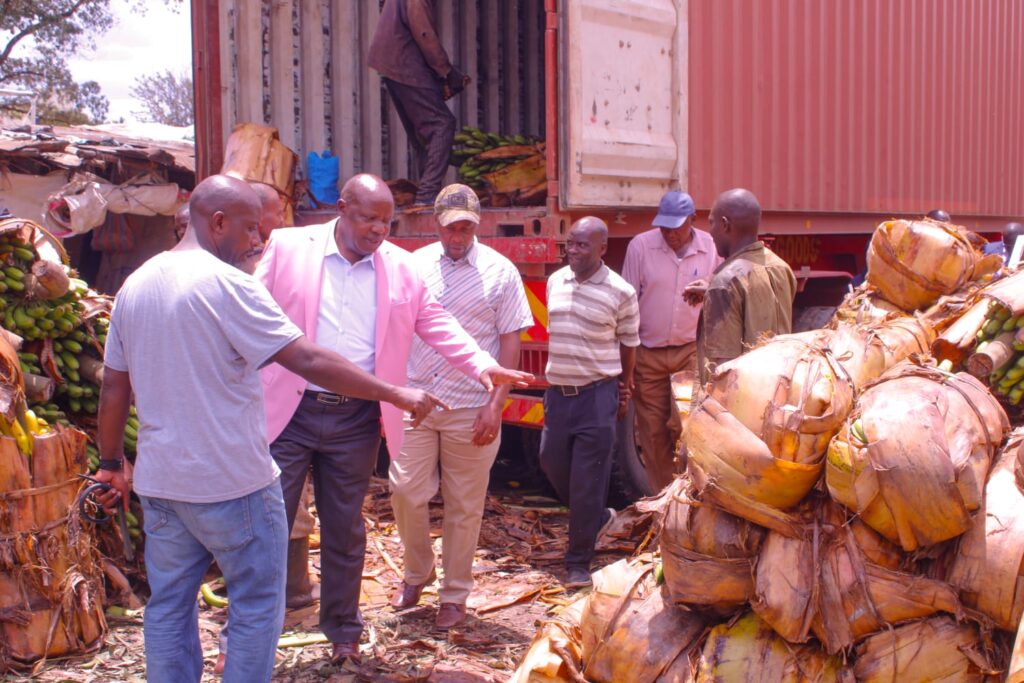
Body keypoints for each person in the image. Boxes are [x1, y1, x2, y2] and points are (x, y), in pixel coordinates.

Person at [94, 175, 444, 683]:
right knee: (258, 608)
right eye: (249, 229)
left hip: (163, 487)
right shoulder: (230, 286)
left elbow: (113, 388)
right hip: (234, 485)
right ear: (217, 223)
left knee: (168, 607)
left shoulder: (137, 284)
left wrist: (110, 464)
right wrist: (394, 392)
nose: (259, 241)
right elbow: (304, 357)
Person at [256, 173, 532, 664]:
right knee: (265, 525)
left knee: (346, 528)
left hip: (357, 416)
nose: (378, 230)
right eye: (367, 218)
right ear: (341, 208)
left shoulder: (402, 268)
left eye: (386, 221)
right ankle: (251, 633)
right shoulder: (287, 248)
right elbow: (249, 313)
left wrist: (484, 367)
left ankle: (343, 630)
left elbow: (438, 324)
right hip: (289, 410)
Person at [390, 185, 533, 629]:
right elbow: (396, 328)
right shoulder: (413, 268)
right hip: (418, 402)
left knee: (464, 505)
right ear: (437, 223)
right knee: (405, 492)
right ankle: (418, 572)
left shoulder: (500, 272)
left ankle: (454, 595)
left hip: (472, 406)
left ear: (478, 225)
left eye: (467, 227)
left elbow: (511, 338)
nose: (459, 235)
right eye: (452, 227)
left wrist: (496, 405)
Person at [539, 217, 640, 589]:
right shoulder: (555, 281)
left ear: (602, 249)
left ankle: (578, 563)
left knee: (587, 479)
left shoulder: (620, 291)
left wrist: (625, 385)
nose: (574, 251)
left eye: (583, 245)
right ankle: (595, 516)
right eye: (570, 244)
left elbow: (630, 341)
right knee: (550, 462)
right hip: (558, 395)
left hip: (597, 395)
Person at [621, 191, 720, 490]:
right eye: (664, 227)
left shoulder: (710, 247)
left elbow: (726, 287)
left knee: (686, 426)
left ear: (692, 220)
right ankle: (663, 500)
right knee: (652, 432)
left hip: (688, 351)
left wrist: (709, 287)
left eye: (676, 227)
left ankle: (690, 493)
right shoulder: (640, 246)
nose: (670, 234)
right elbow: (626, 303)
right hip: (647, 354)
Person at [684, 188, 797, 386]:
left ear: (726, 225)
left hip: (744, 400)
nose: (709, 232)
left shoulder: (725, 283)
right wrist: (712, 292)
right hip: (779, 390)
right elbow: (762, 303)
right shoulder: (781, 268)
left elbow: (722, 370)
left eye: (712, 222)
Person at [367, 0, 470, 208]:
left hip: (392, 64)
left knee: (422, 133)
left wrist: (440, 78)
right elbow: (423, 33)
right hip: (404, 64)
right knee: (442, 124)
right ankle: (427, 195)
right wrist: (446, 71)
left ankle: (425, 191)